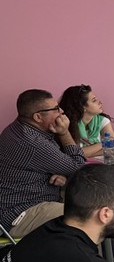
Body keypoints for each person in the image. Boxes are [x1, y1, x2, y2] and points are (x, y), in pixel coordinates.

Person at [0, 89, 85, 238]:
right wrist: (64, 133)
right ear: (38, 117)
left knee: (87, 199)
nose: (61, 112)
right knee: (86, 216)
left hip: (29, 202)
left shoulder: (18, 129)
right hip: (19, 213)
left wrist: (65, 175)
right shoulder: (32, 142)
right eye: (56, 109)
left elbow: (63, 164)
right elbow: (78, 167)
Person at [59, 84, 114, 158]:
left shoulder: (102, 121)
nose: (100, 102)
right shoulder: (67, 124)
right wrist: (103, 144)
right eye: (94, 100)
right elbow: (74, 154)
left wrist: (86, 153)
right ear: (82, 107)